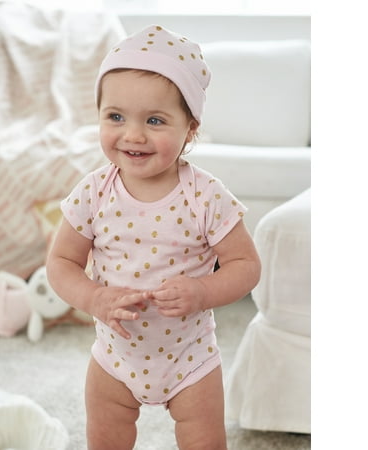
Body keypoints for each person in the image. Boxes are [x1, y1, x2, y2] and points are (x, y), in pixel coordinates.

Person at [47, 24, 261, 450]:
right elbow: (61, 263)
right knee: (105, 440)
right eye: (116, 117)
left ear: (190, 129)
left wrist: (203, 291)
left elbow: (246, 266)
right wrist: (93, 298)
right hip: (115, 358)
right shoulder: (94, 192)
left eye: (155, 120)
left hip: (190, 360)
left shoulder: (206, 195)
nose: (133, 135)